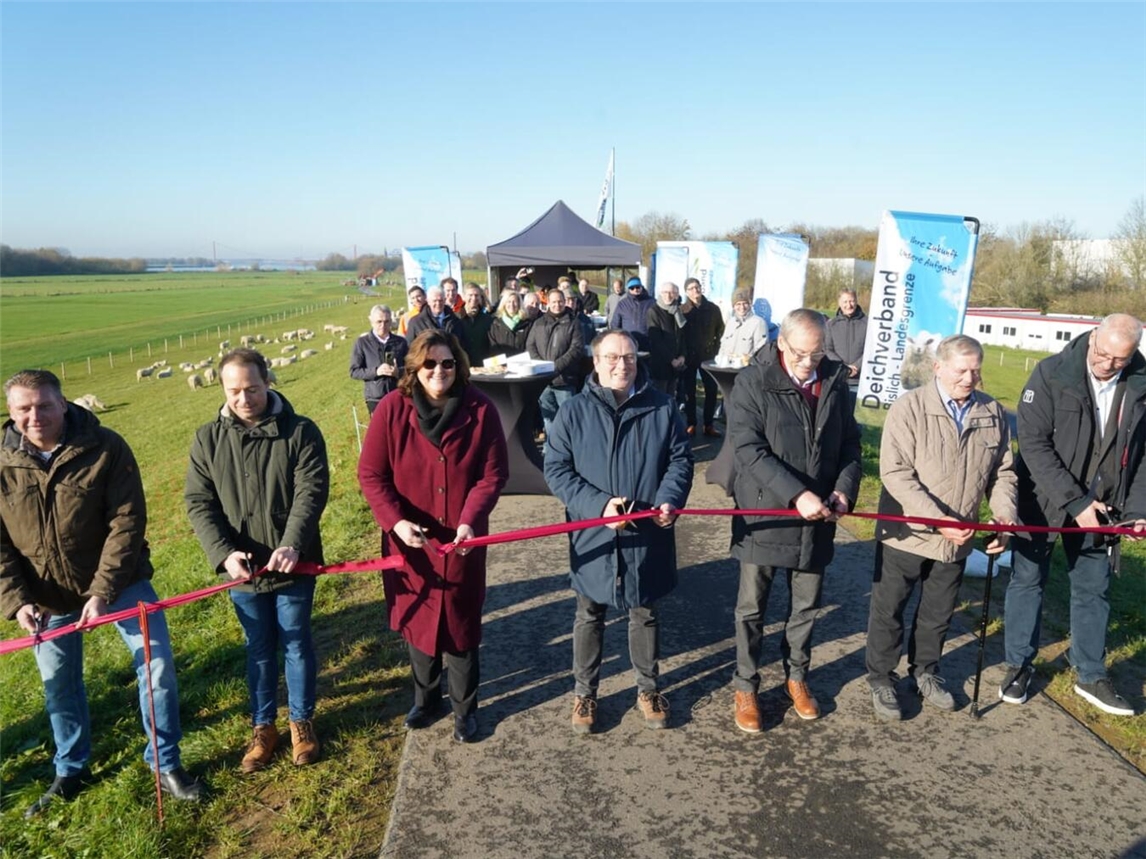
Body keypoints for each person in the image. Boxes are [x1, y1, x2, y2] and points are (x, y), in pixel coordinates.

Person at [1, 369, 202, 817]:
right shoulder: (1, 462)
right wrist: (16, 601)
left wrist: (103, 590)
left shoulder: (106, 446)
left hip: (121, 584)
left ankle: (165, 764)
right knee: (60, 689)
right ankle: (71, 769)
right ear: (11, 412)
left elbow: (127, 522)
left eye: (44, 405)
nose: (35, 416)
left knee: (157, 669)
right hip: (45, 598)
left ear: (63, 402)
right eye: (23, 409)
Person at [358, 331, 509, 742]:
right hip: (410, 543)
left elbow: (493, 475)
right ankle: (426, 701)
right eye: (429, 364)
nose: (439, 371)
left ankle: (465, 709)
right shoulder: (391, 409)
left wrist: (470, 519)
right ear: (414, 369)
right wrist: (395, 522)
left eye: (447, 363)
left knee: (460, 628)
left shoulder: (481, 409)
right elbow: (371, 475)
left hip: (462, 541)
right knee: (419, 625)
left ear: (459, 366)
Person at [185, 348, 330, 772]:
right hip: (242, 570)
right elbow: (199, 502)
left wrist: (293, 543)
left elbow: (311, 491)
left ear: (268, 381)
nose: (244, 398)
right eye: (234, 391)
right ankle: (263, 727)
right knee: (259, 648)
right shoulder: (207, 439)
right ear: (223, 390)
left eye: (251, 388)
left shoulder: (301, 431)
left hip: (293, 564)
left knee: (296, 642)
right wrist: (223, 553)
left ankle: (301, 721)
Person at [545, 331, 694, 733]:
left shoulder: (663, 407)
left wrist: (669, 499)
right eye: (611, 357)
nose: (621, 365)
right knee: (588, 613)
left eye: (628, 357)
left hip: (647, 530)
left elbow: (680, 461)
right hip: (592, 532)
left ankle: (648, 688)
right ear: (595, 362)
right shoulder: (573, 412)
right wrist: (597, 506)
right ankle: (585, 693)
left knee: (645, 612)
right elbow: (556, 470)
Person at [865, 335, 1018, 720]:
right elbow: (895, 474)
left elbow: (1003, 473)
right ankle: (882, 678)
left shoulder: (992, 412)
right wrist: (937, 520)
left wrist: (1004, 517)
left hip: (957, 541)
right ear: (938, 367)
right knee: (890, 610)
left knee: (938, 612)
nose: (969, 378)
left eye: (976, 370)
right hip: (908, 534)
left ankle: (926, 673)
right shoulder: (910, 408)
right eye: (961, 370)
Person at [1001, 313, 1146, 716]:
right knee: (1028, 581)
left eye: (1119, 360)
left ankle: (1091, 674)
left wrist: (1136, 510)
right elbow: (1032, 444)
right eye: (1102, 354)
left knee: (1093, 588)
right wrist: (1075, 502)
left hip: (1104, 506)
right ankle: (1018, 665)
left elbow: (1143, 456)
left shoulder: (1141, 383)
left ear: (1132, 353)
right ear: (1093, 337)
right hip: (1044, 499)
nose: (1106, 364)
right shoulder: (1051, 374)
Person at [726, 309, 862, 732]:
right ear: (781, 343)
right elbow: (748, 449)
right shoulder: (753, 382)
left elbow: (851, 447)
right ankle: (746, 683)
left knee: (806, 607)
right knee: (752, 609)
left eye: (816, 353)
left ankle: (797, 677)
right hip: (766, 512)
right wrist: (795, 493)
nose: (808, 363)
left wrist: (844, 489)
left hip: (818, 515)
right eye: (800, 353)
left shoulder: (836, 383)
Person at [527, 287, 584, 439]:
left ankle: (570, 449)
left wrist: (555, 367)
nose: (557, 305)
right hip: (543, 381)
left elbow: (576, 349)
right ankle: (552, 448)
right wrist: (542, 366)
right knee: (548, 419)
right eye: (554, 302)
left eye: (560, 301)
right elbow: (530, 346)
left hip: (565, 380)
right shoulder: (539, 323)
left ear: (565, 302)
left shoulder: (574, 323)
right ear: (548, 303)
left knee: (569, 419)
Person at [679, 278, 725, 436]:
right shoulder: (682, 310)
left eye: (697, 287)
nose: (695, 290)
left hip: (708, 356)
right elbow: (678, 334)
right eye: (691, 288)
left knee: (711, 391)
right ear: (686, 292)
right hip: (689, 357)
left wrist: (716, 349)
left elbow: (721, 331)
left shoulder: (713, 309)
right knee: (689, 391)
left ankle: (708, 424)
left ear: (701, 288)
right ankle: (691, 423)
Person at [349, 305, 408, 414]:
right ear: (371, 321)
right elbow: (354, 371)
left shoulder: (401, 342)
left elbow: (411, 369)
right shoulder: (362, 343)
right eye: (379, 322)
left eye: (386, 321)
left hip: (399, 395)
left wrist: (397, 372)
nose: (383, 326)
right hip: (375, 399)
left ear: (391, 321)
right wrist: (376, 371)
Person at [646, 281, 687, 397]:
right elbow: (656, 340)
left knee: (671, 399)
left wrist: (682, 356)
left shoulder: (677, 311)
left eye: (672, 292)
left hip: (676, 365)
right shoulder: (653, 311)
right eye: (665, 292)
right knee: (660, 398)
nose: (668, 295)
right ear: (660, 293)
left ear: (676, 295)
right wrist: (671, 360)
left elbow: (682, 336)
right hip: (661, 365)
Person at [406, 281, 468, 351]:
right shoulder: (416, 322)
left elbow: (463, 346)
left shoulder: (456, 321)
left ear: (445, 300)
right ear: (428, 301)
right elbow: (410, 348)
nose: (438, 303)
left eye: (440, 300)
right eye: (434, 301)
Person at [824, 288, 868, 380]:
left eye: (852, 301)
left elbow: (871, 349)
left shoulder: (868, 324)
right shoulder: (831, 324)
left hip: (861, 378)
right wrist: (843, 368)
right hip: (837, 377)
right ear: (839, 303)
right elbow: (827, 349)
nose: (849, 305)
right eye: (845, 302)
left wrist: (857, 366)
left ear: (856, 301)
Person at [719, 290, 768, 361]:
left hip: (746, 369)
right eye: (738, 304)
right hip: (726, 367)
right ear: (733, 306)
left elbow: (761, 350)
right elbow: (722, 346)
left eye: (745, 303)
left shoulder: (759, 323)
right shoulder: (730, 322)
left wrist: (747, 359)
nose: (742, 307)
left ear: (750, 305)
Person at [611, 276, 655, 349]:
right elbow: (615, 324)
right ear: (629, 289)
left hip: (648, 343)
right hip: (628, 342)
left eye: (637, 287)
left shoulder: (652, 302)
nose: (635, 290)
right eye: (632, 288)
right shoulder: (622, 304)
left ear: (641, 287)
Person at [488, 289, 533, 355]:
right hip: (501, 363)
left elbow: (530, 345)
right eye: (508, 302)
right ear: (504, 304)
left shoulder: (527, 324)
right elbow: (493, 346)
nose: (511, 304)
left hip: (522, 363)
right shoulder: (495, 324)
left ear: (519, 304)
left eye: (514, 302)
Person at [458, 282, 493, 368]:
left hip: (483, 366)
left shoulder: (488, 320)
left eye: (476, 295)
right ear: (464, 297)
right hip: (463, 366)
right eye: (470, 295)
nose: (474, 298)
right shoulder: (456, 318)